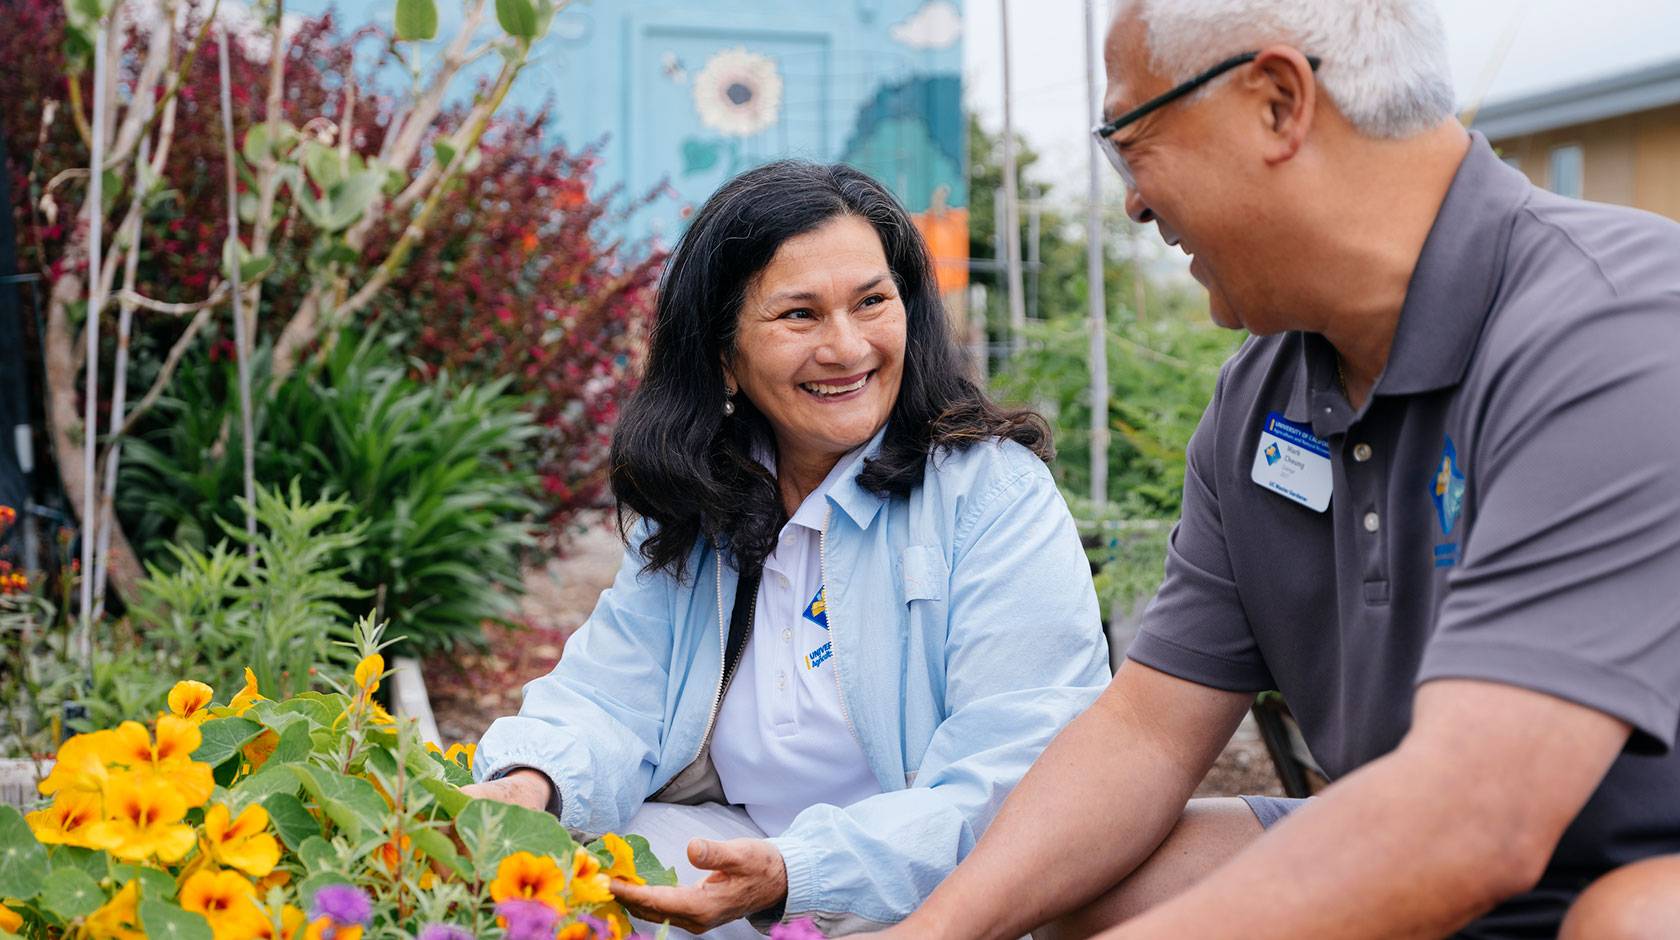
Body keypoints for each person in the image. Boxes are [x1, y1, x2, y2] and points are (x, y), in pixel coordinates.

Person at [865, 1, 1680, 937]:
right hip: (1450, 853)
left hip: (1598, 865)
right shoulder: (1264, 395)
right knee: (1102, 879)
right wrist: (935, 930)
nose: (1130, 198)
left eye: (1132, 139)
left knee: (1638, 919)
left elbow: (1476, 820)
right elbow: (1148, 729)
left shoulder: (1617, 328)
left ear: (1279, 102)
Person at [463, 160, 1111, 937]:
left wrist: (799, 873)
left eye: (873, 302)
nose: (847, 347)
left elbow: (1018, 778)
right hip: (738, 853)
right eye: (799, 315)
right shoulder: (707, 494)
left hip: (935, 897)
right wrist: (531, 778)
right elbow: (611, 694)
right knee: (519, 904)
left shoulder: (991, 496)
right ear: (723, 355)